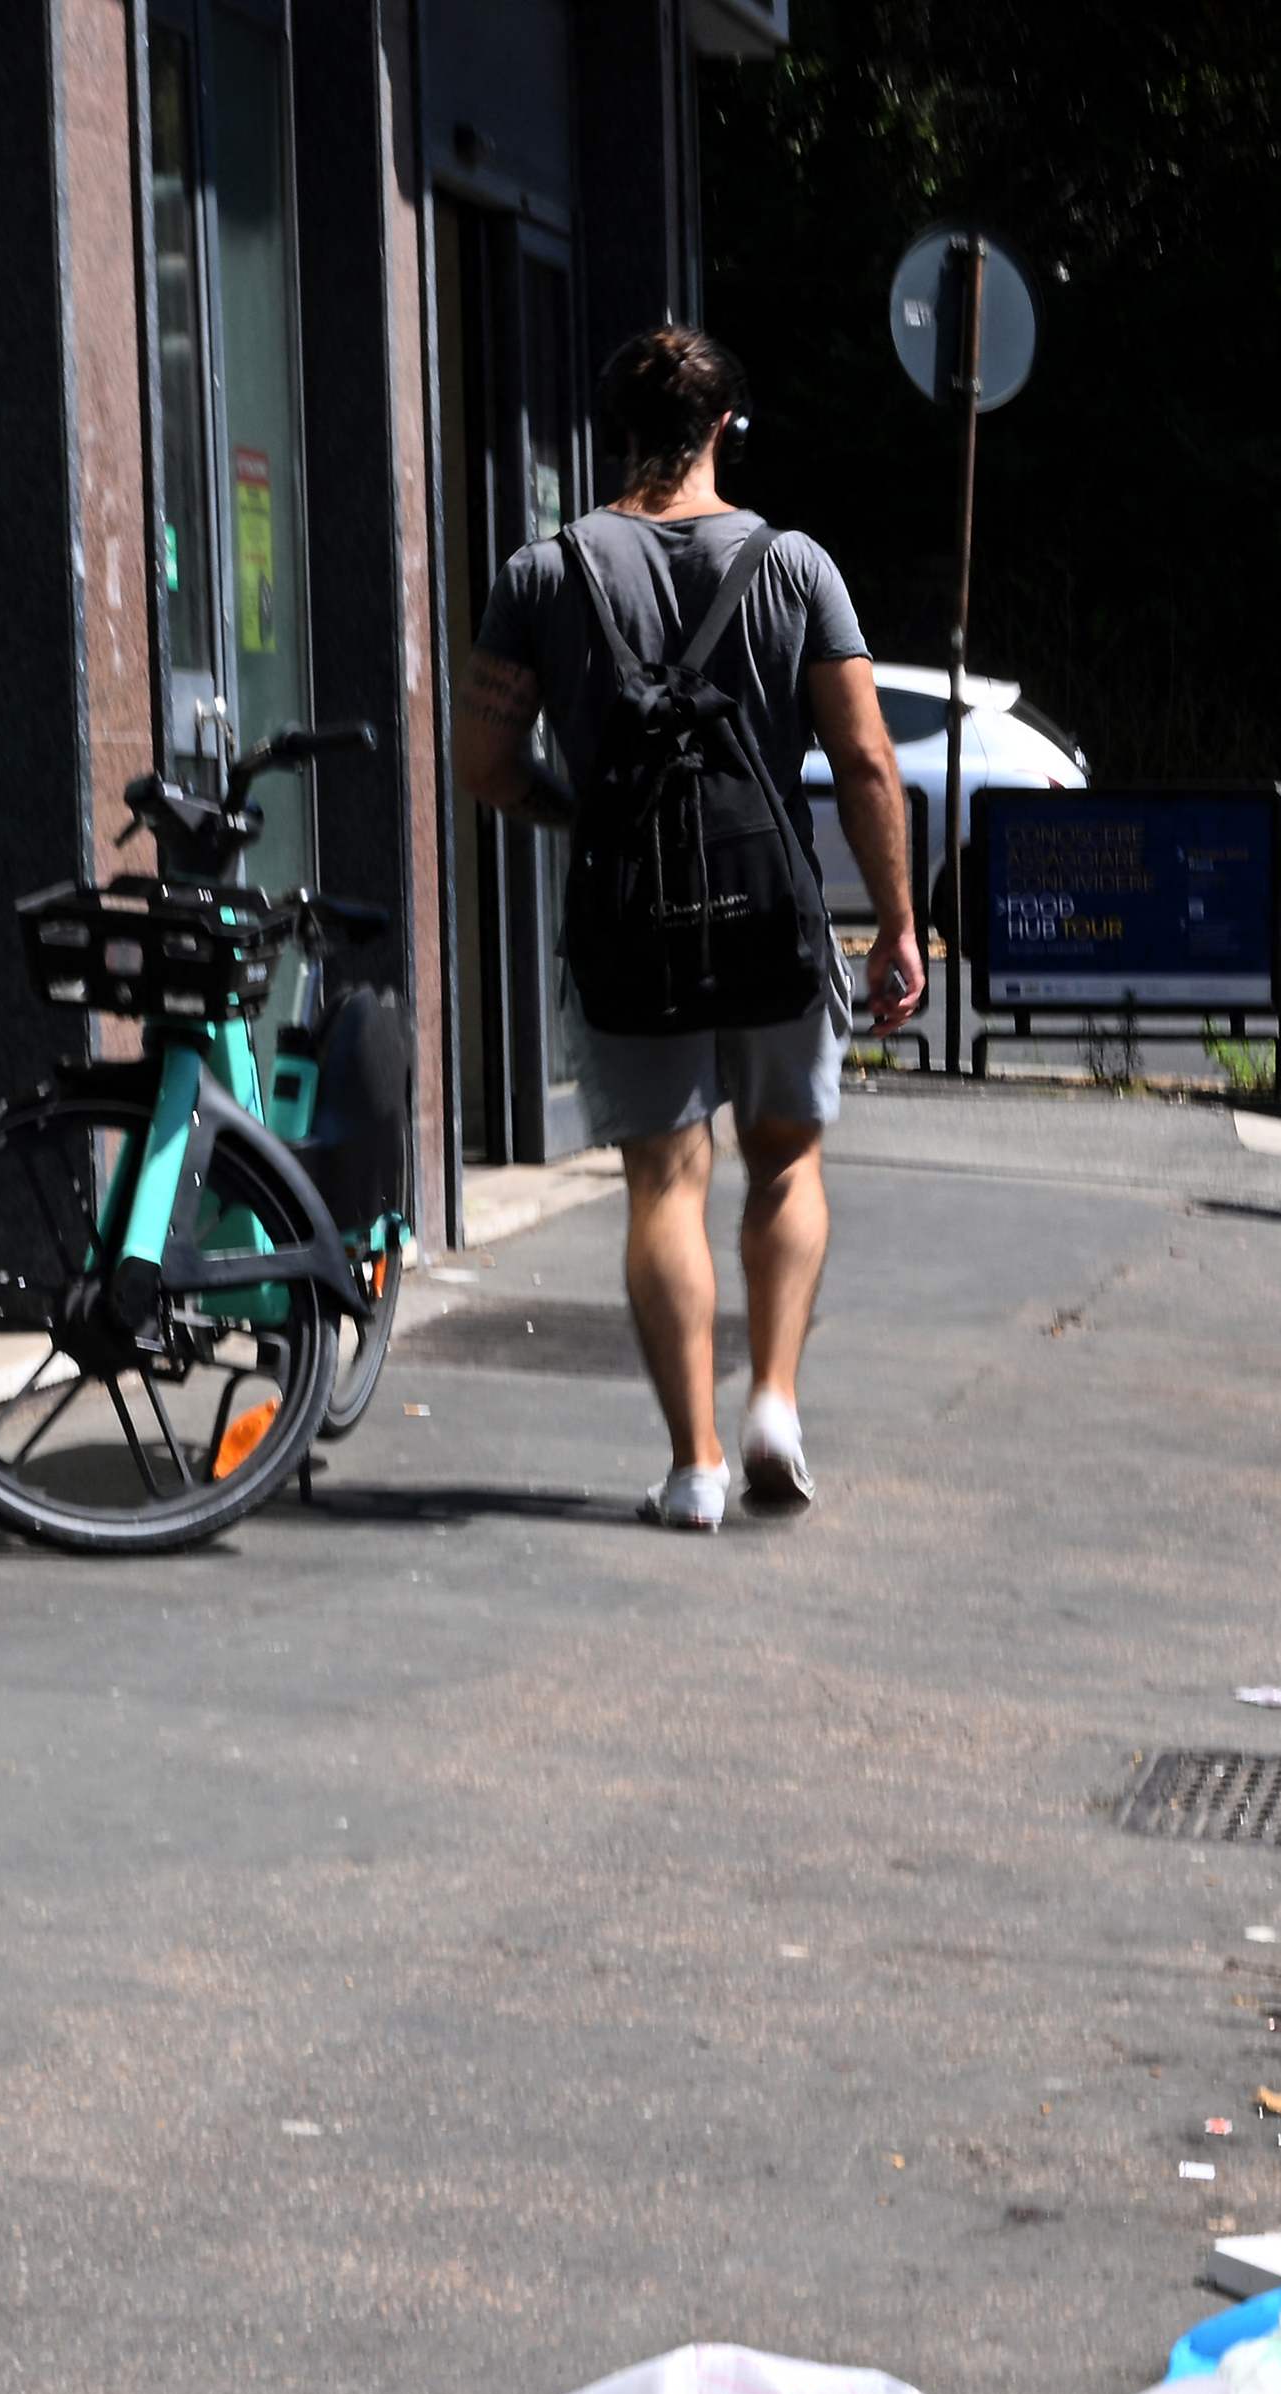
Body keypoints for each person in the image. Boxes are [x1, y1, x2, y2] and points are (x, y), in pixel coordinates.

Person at [454, 326, 926, 1530]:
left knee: (665, 1181)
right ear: (726, 430)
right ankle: (772, 1397)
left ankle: (694, 1466)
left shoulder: (543, 573)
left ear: (616, 432)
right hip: (770, 919)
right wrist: (898, 928)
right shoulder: (795, 566)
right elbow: (868, 762)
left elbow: (485, 762)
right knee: (785, 1161)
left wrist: (587, 818)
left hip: (627, 930)